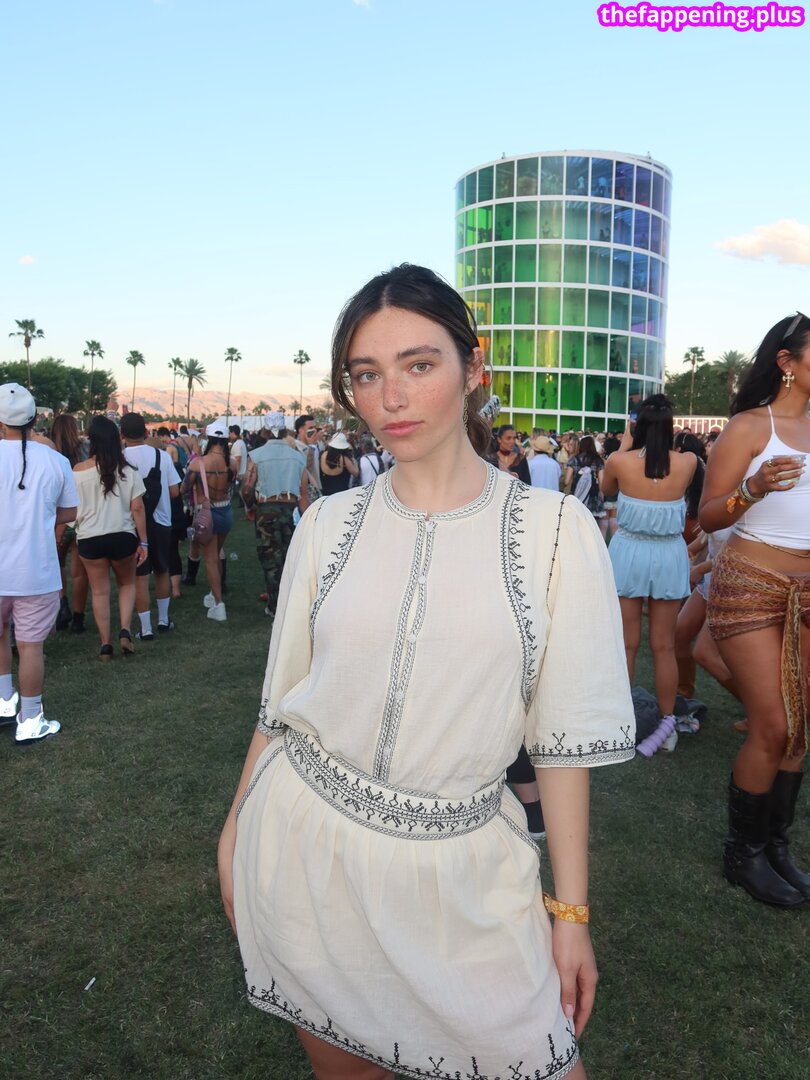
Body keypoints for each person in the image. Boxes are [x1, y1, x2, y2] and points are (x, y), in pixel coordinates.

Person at [219, 264, 634, 1080]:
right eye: (367, 375)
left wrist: (570, 913)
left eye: (419, 364)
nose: (392, 398)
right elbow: (281, 703)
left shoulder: (555, 530)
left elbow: (561, 744)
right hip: (302, 854)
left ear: (474, 367)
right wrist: (235, 829)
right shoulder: (326, 525)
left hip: (466, 881)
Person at [699, 312, 810, 908]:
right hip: (751, 584)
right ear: (787, 363)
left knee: (798, 728)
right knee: (772, 723)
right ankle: (742, 855)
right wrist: (755, 487)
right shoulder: (750, 427)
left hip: (807, 592)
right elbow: (708, 513)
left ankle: (775, 847)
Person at [601, 396, 697, 757]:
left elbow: (606, 490)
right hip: (668, 553)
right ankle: (667, 724)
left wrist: (624, 445)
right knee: (664, 645)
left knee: (627, 643)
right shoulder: (688, 462)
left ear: (637, 425)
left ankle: (621, 722)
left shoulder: (620, 461)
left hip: (630, 551)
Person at [0, 384, 78, 742]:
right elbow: (70, 511)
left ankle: (4, 703)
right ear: (34, 420)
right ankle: (30, 720)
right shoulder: (55, 461)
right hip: (36, 571)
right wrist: (41, 517)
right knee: (31, 647)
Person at [73, 416, 149, 659]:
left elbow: (72, 510)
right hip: (122, 535)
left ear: (91, 440)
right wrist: (143, 541)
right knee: (126, 584)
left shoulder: (78, 471)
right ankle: (125, 630)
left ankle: (105, 644)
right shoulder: (128, 470)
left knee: (99, 592)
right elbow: (137, 508)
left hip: (89, 538)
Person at [242, 411, 309, 617]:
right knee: (290, 559)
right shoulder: (298, 457)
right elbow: (304, 494)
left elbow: (247, 489)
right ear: (284, 430)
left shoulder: (256, 456)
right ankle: (290, 603)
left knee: (271, 560)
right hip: (291, 511)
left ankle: (274, 605)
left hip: (266, 511)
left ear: (265, 430)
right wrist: (307, 520)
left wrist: (250, 506)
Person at [121, 413, 180, 639]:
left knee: (140, 576)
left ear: (122, 434)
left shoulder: (119, 458)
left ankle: (145, 628)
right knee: (162, 570)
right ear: (146, 432)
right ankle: (163, 620)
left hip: (132, 525)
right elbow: (174, 491)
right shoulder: (162, 456)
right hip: (162, 521)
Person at [181, 422, 234, 623]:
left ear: (209, 439)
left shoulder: (198, 463)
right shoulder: (232, 463)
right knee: (217, 554)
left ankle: (219, 605)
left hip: (207, 513)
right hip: (226, 511)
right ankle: (214, 593)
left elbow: (183, 489)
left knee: (211, 559)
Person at [50, 413, 90, 633]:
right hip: (81, 516)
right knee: (79, 571)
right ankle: (78, 617)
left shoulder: (50, 455)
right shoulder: (85, 450)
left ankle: (62, 605)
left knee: (57, 567)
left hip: (58, 518)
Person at [564, 435, 607, 538]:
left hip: (576, 497)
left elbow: (566, 481)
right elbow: (602, 482)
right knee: (592, 528)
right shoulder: (598, 460)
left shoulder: (574, 459)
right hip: (593, 497)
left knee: (577, 527)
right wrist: (601, 497)